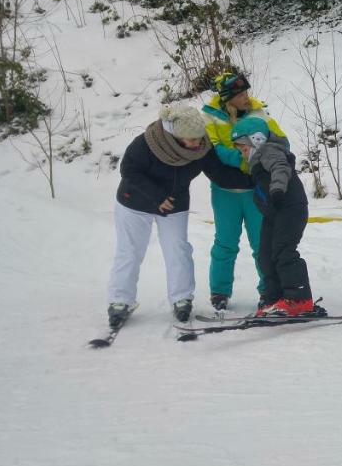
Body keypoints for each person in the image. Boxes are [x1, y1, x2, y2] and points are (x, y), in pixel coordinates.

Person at [106, 104, 252, 327]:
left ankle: (181, 298)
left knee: (178, 248)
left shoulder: (201, 146)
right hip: (135, 201)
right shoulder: (147, 143)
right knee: (130, 251)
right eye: (190, 139)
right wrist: (156, 197)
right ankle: (120, 301)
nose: (196, 144)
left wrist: (256, 180)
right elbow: (129, 171)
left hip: (174, 202)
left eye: (198, 138)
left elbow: (220, 175)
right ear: (173, 136)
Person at [201, 71, 287, 312]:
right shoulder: (209, 117)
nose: (247, 97)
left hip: (254, 190)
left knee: (262, 243)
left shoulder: (258, 112)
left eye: (247, 92)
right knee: (225, 243)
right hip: (224, 192)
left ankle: (268, 290)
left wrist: (255, 163)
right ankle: (219, 292)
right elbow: (214, 151)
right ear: (228, 97)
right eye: (241, 94)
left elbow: (280, 140)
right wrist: (246, 161)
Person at [229, 117, 324, 318]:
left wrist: (278, 190)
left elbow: (280, 168)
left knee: (283, 251)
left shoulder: (269, 151)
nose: (243, 154)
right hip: (274, 214)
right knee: (265, 255)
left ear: (257, 140)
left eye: (244, 149)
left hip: (290, 208)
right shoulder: (255, 161)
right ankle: (275, 298)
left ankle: (299, 299)